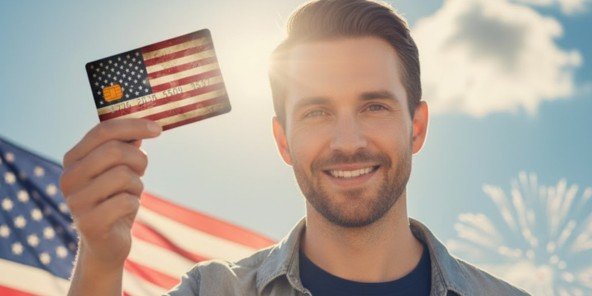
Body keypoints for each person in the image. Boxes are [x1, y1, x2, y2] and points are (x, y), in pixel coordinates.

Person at [62, 0, 530, 295]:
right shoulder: (214, 290)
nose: (348, 143)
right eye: (316, 112)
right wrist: (101, 262)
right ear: (283, 140)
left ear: (417, 127)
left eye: (374, 107)